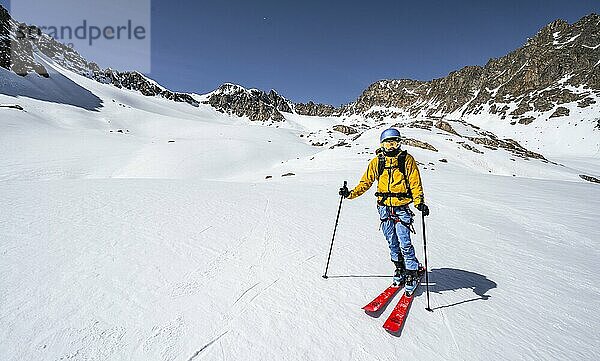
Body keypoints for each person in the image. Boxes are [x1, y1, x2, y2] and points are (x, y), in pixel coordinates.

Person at [339, 128, 430, 294]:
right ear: (382, 144)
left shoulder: (406, 160)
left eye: (395, 142)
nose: (391, 146)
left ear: (399, 143)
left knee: (405, 242)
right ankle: (399, 268)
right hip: (383, 208)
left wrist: (419, 203)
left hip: (401, 207)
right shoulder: (377, 161)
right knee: (392, 242)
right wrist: (350, 194)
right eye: (388, 143)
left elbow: (415, 183)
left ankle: (411, 272)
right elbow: (365, 182)